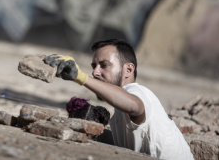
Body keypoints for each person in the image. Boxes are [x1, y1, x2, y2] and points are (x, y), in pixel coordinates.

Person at [45, 39, 193, 159]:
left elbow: (135, 106)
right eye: (94, 66)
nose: (95, 72)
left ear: (128, 70)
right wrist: (92, 130)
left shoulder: (137, 92)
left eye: (104, 65)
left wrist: (81, 77)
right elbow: (126, 147)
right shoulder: (120, 112)